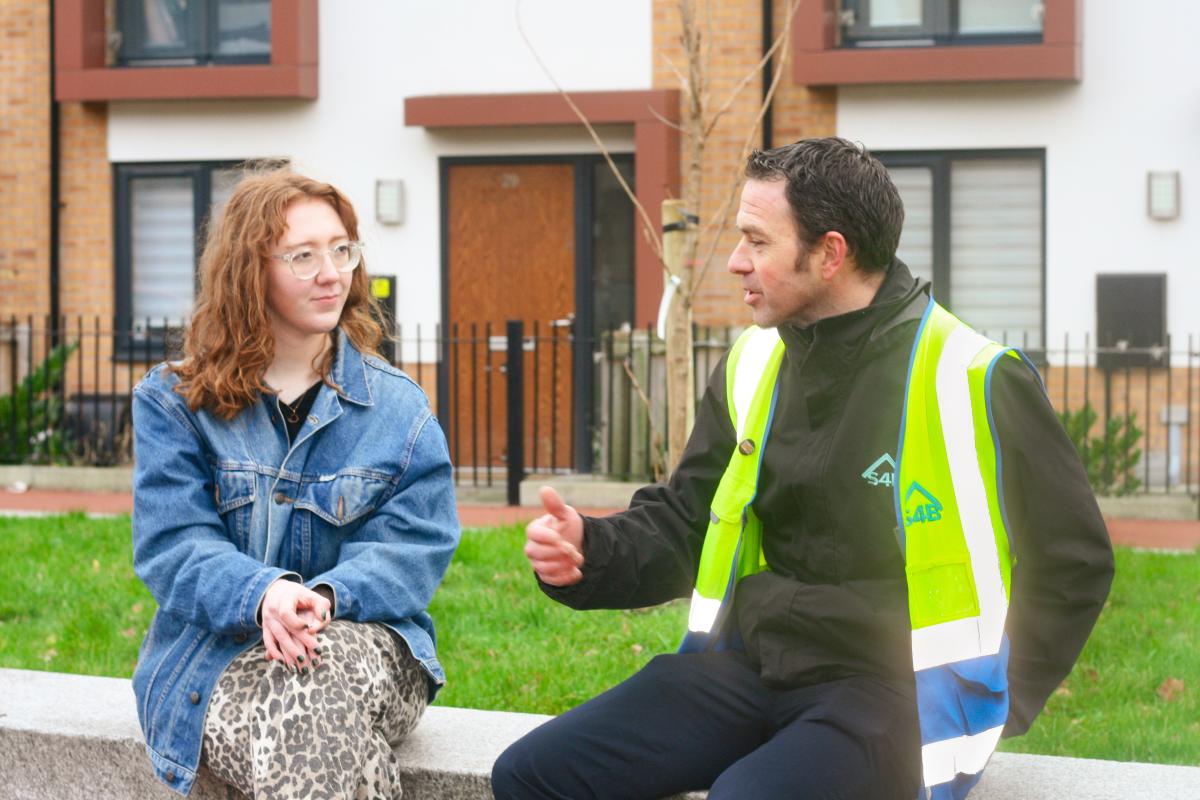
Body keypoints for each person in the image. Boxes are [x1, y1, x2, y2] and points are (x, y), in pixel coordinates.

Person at [492, 138, 1114, 800]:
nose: (735, 263)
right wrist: (590, 549)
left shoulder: (972, 376)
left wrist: (991, 706)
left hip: (891, 697)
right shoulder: (753, 364)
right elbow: (689, 523)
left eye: (757, 241)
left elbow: (1073, 560)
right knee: (529, 776)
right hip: (751, 669)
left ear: (830, 254)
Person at [131, 169, 460, 798]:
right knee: (303, 714)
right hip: (218, 662)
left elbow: (415, 549)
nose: (331, 272)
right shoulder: (174, 403)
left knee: (313, 672)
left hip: (366, 651)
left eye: (342, 250)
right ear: (250, 271)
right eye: (302, 256)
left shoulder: (399, 411)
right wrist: (265, 595)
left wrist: (325, 601)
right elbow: (173, 546)